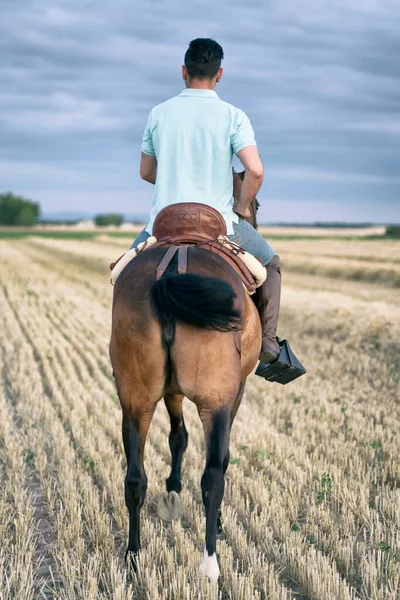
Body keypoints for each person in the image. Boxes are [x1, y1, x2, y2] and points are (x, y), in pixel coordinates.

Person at [133, 38, 282, 364]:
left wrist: (176, 176)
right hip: (219, 225)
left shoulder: (159, 113)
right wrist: (242, 209)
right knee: (271, 264)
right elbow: (254, 171)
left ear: (184, 72)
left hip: (162, 225)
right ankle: (270, 345)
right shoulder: (233, 116)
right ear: (220, 74)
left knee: (126, 274)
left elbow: (146, 171)